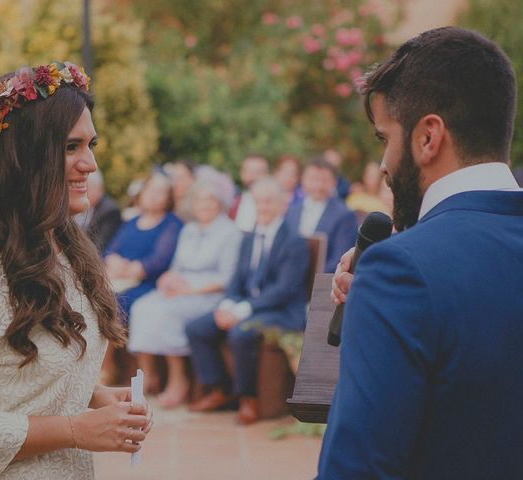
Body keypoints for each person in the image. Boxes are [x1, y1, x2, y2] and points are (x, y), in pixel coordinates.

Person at [0, 62, 152, 479]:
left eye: (91, 145)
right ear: (23, 158)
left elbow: (17, 364)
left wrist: (93, 397)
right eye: (71, 147)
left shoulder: (61, 247)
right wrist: (73, 429)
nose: (90, 164)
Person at [318, 28, 523, 479]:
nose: (384, 165)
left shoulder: (399, 272)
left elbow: (356, 469)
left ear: (428, 136)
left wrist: (385, 291)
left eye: (384, 138)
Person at [186, 176, 310, 425]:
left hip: (282, 311)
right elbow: (236, 280)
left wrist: (243, 310)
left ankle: (248, 398)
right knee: (196, 327)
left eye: (268, 202)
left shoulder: (294, 241)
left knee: (240, 333)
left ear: (282, 205)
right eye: (258, 202)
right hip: (247, 307)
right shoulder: (248, 237)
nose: (262, 207)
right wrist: (227, 305)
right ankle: (220, 389)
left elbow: (284, 290)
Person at [128, 175, 241, 408]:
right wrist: (168, 281)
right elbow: (175, 267)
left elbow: (227, 279)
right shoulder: (188, 229)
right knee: (143, 306)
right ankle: (149, 374)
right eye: (199, 200)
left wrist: (189, 290)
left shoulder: (229, 232)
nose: (205, 205)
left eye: (210, 200)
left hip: (209, 294)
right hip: (182, 289)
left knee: (169, 312)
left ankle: (179, 381)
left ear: (219, 203)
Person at [104, 173, 183, 320]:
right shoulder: (131, 221)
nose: (153, 195)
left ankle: (116, 343)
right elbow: (110, 249)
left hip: (148, 283)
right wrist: (113, 261)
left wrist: (129, 270)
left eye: (160, 192)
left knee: (116, 302)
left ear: (169, 198)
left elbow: (160, 260)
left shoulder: (172, 224)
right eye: (150, 189)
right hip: (118, 277)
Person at [285, 157, 358, 272]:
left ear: (334, 182)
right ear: (302, 179)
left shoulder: (344, 215)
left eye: (324, 180)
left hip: (321, 281)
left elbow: (340, 259)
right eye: (313, 179)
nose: (317, 185)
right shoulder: (292, 210)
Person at [75, 170, 121, 252]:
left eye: (87, 188)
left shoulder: (110, 211)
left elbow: (99, 246)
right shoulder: (82, 204)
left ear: (100, 188)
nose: (84, 192)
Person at [228, 153, 269, 232]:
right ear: (242, 174)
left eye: (258, 172)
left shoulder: (274, 204)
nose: (253, 176)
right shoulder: (235, 201)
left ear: (266, 174)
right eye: (249, 171)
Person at [168, 157, 197, 221]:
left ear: (193, 179)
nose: (178, 182)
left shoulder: (198, 207)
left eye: (183, 178)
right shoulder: (165, 205)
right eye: (174, 177)